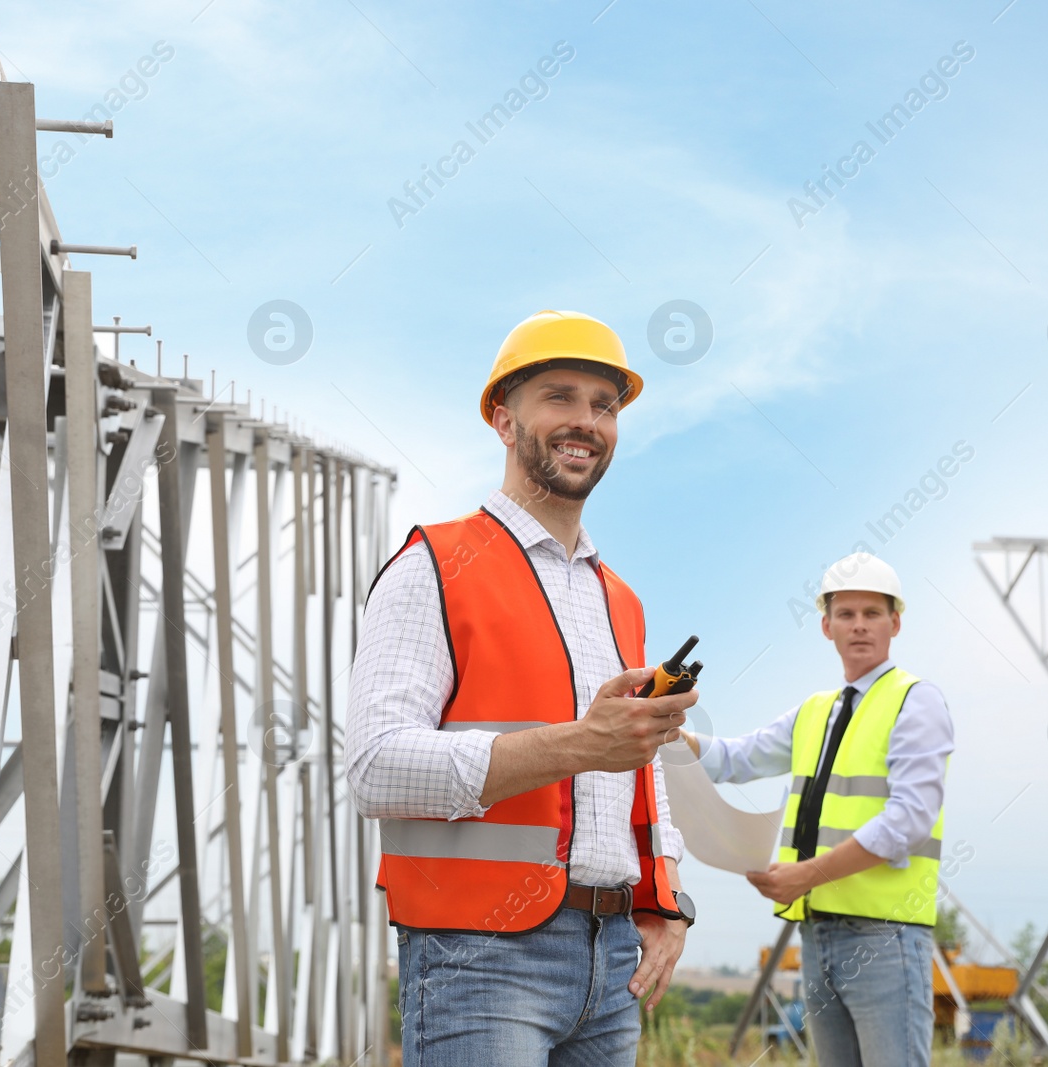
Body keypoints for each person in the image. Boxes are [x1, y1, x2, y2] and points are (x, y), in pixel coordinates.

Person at [347, 310, 699, 1066]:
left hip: (611, 964)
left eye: (604, 405)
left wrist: (667, 905)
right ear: (503, 418)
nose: (586, 421)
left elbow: (641, 773)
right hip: (477, 957)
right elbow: (375, 766)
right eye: (559, 397)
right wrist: (578, 742)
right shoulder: (433, 566)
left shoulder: (620, 599)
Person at [684, 553, 952, 1067]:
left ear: (895, 622)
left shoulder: (916, 702)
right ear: (826, 625)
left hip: (885, 937)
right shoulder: (815, 712)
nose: (859, 626)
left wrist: (808, 874)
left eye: (872, 613)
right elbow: (733, 760)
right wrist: (672, 735)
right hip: (817, 932)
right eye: (846, 614)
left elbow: (909, 821)